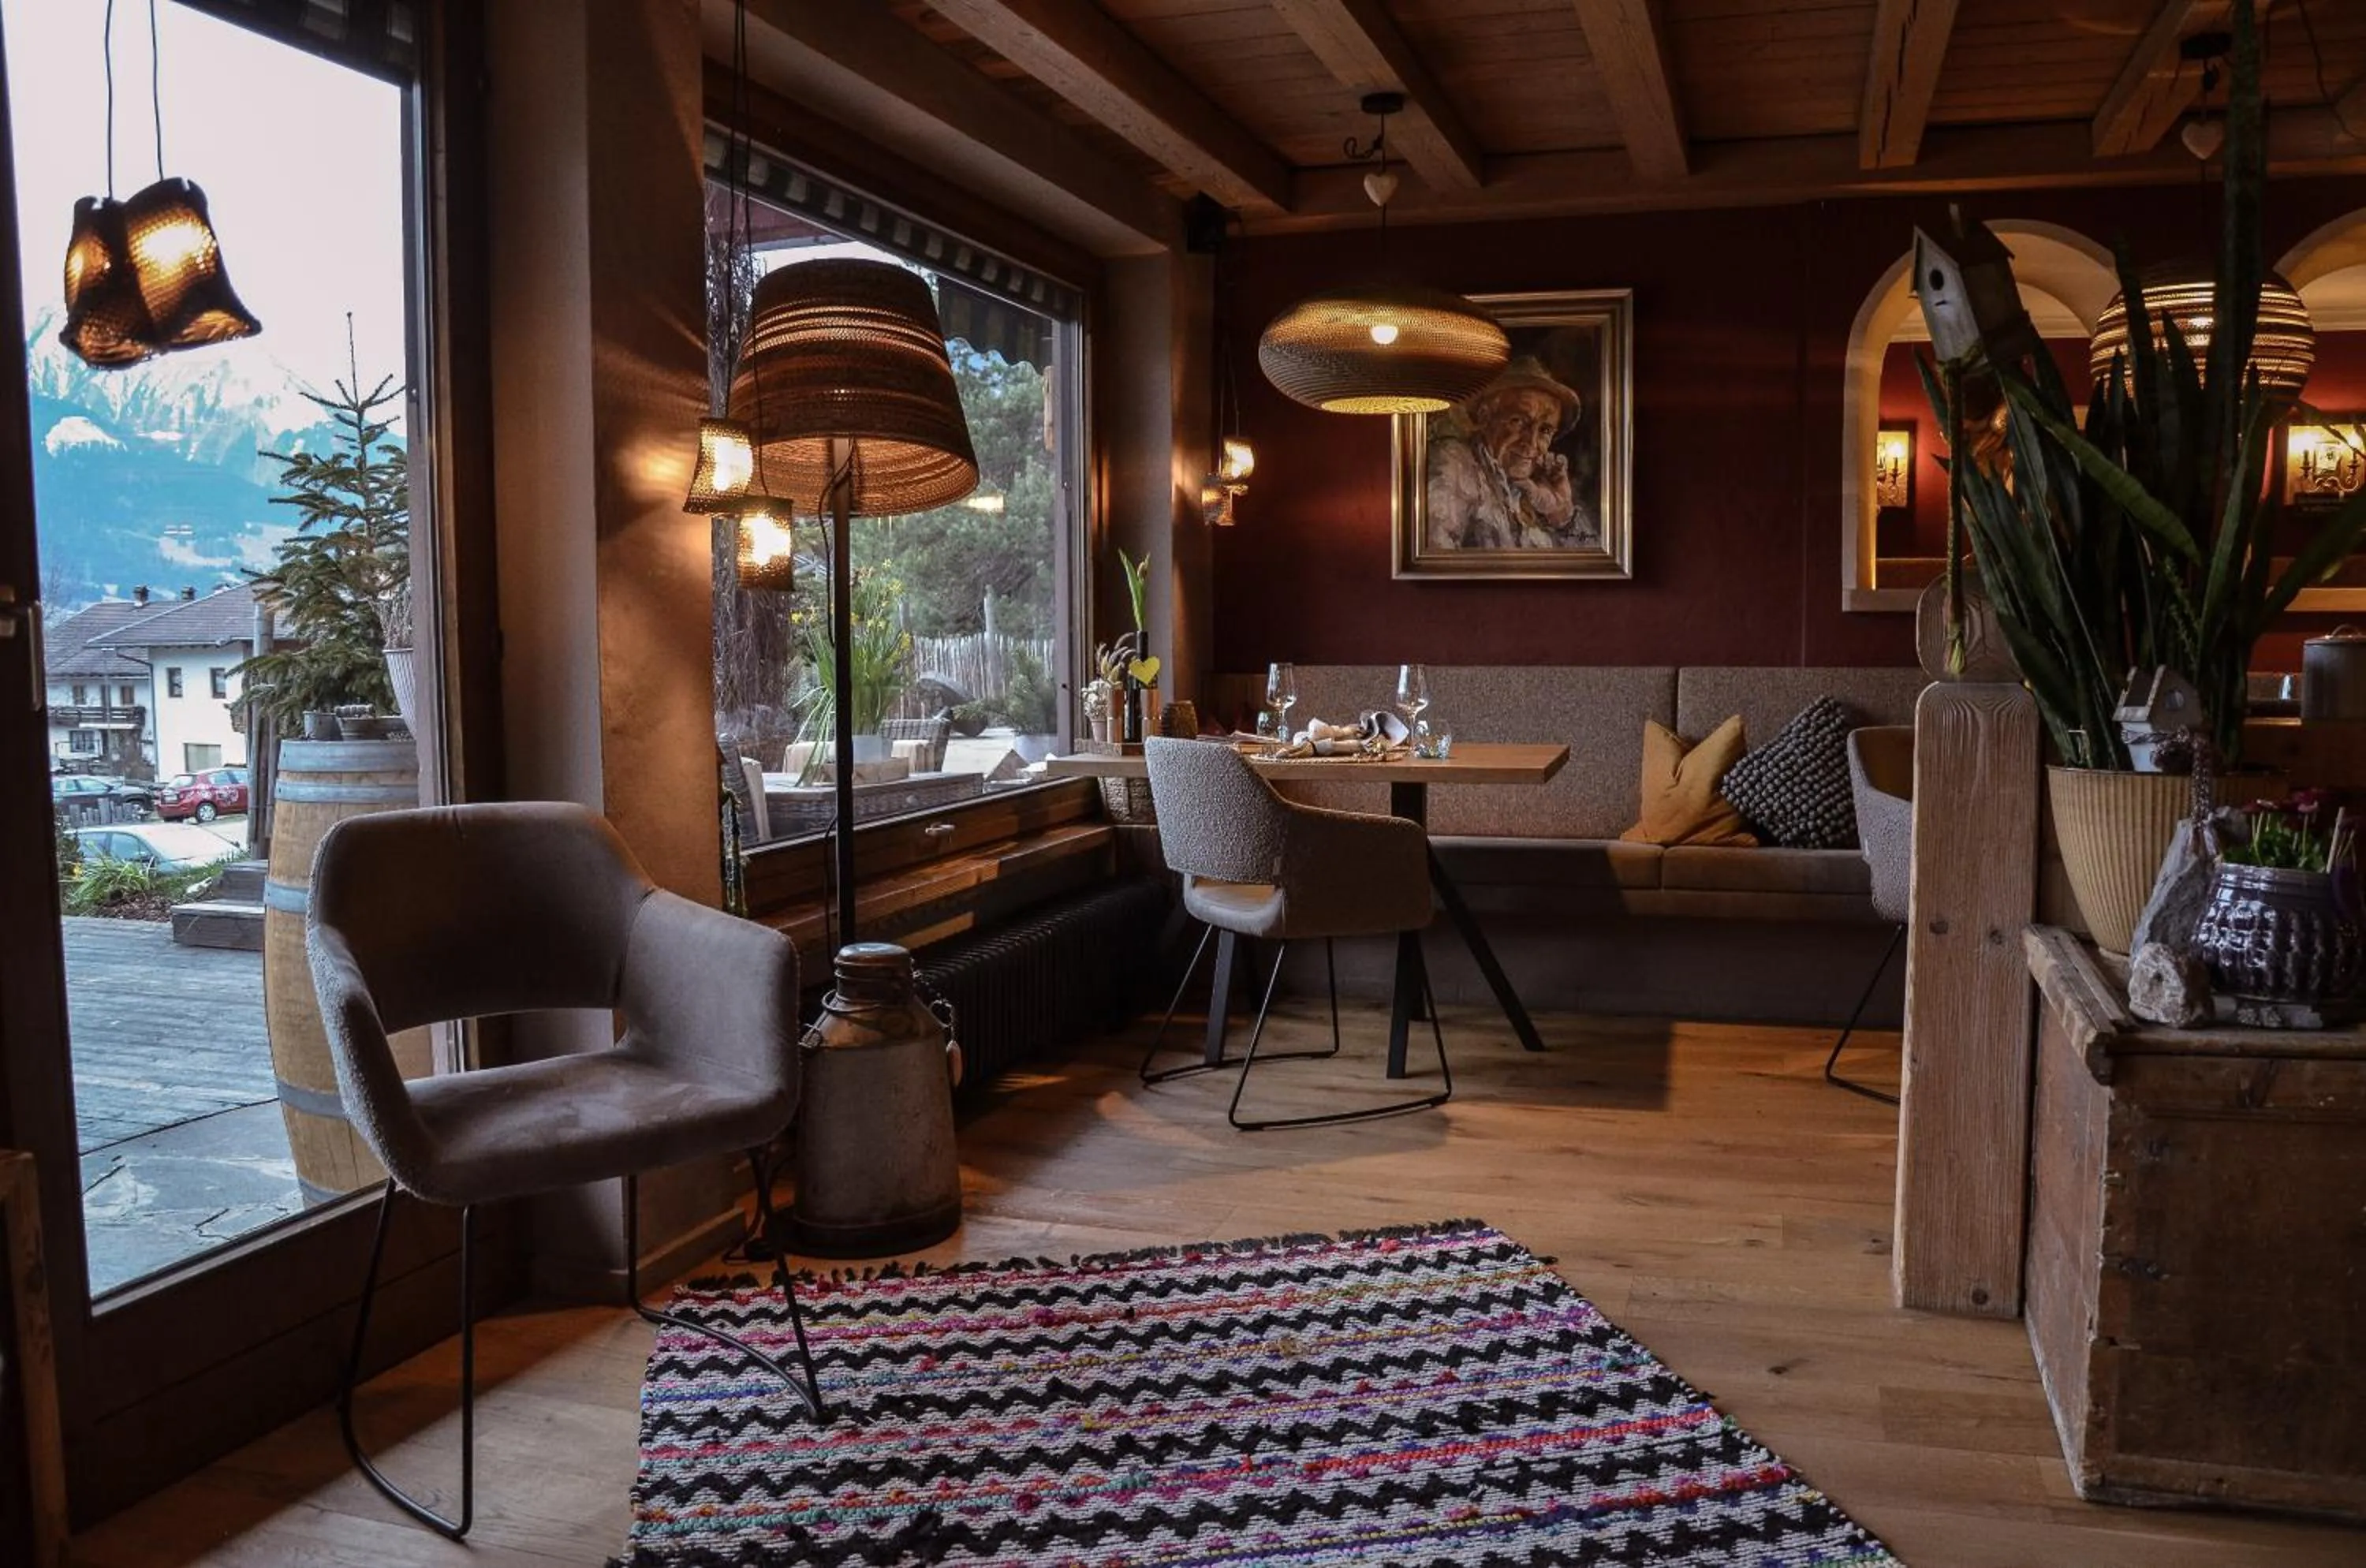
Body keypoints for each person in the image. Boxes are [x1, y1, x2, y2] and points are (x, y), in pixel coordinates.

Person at [1424, 358, 1596, 551]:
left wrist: (1563, 515)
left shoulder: (1534, 490)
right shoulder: (1454, 465)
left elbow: (1593, 560)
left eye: (1545, 430)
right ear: (1485, 416)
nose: (1531, 443)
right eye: (1518, 421)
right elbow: (1435, 555)